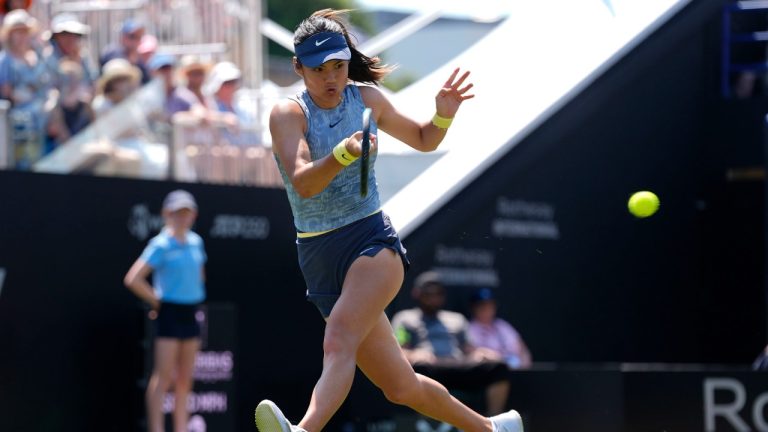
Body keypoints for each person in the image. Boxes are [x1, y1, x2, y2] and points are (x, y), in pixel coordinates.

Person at [254, 9, 522, 432]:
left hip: (371, 242)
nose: (331, 77)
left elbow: (423, 138)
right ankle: (493, 429)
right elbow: (304, 183)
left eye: (339, 66)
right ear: (298, 68)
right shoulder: (287, 114)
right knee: (400, 387)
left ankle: (303, 430)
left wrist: (443, 113)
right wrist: (344, 153)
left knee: (338, 338)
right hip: (317, 255)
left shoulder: (368, 100)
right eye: (319, 69)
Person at [124, 189, 207, 432]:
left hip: (190, 313)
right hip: (169, 314)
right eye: (177, 213)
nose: (182, 218)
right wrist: (159, 302)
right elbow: (133, 279)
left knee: (184, 380)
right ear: (166, 214)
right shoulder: (160, 244)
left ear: (193, 216)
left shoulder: (196, 242)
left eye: (187, 213)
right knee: (163, 377)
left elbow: (199, 277)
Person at [392, 273, 512, 416]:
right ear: (417, 293)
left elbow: (469, 349)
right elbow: (398, 351)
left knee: (498, 367)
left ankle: (493, 423)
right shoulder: (404, 318)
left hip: (457, 365)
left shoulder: (457, 319)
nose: (433, 297)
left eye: (438, 293)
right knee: (419, 368)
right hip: (428, 369)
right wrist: (413, 354)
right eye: (428, 293)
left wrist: (481, 353)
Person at [468, 288, 533, 370]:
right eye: (482, 306)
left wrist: (522, 371)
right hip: (483, 375)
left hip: (510, 373)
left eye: (490, 306)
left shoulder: (502, 326)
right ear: (473, 308)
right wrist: (500, 359)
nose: (486, 309)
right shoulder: (468, 328)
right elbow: (474, 355)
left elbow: (523, 351)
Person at [99, 18, 150, 84]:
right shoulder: (112, 54)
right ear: (123, 37)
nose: (136, 41)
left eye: (139, 37)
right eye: (132, 36)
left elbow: (146, 81)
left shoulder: (139, 60)